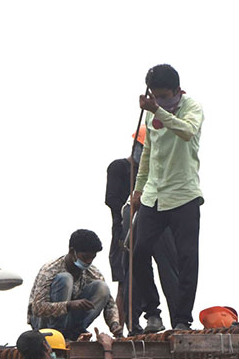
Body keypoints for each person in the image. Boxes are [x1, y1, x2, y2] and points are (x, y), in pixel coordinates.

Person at [131, 64, 204, 331]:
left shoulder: (192, 108)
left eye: (163, 96)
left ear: (176, 90)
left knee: (187, 257)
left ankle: (183, 318)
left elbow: (187, 132)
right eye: (154, 95)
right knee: (139, 253)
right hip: (154, 195)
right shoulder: (151, 115)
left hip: (184, 194)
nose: (157, 100)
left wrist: (157, 110)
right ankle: (152, 312)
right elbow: (148, 153)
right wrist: (139, 189)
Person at [105, 126, 179, 334]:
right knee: (128, 277)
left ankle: (177, 320)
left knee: (170, 272)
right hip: (125, 226)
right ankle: (130, 326)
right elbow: (113, 201)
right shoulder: (120, 168)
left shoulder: (160, 174)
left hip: (159, 225)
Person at [27, 229, 122, 340]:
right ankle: (58, 333)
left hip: (71, 324)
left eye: (92, 258)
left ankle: (75, 331)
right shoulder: (50, 270)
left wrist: (114, 324)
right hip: (45, 325)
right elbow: (38, 308)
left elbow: (109, 303)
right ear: (72, 252)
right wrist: (69, 305)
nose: (88, 262)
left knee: (102, 287)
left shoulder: (92, 272)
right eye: (85, 258)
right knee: (65, 278)